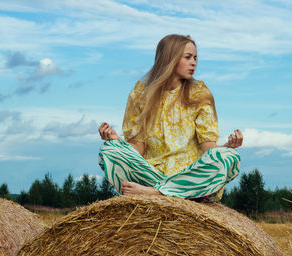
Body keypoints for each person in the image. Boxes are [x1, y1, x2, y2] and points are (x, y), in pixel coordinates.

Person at [98, 34, 243, 202]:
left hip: (189, 175)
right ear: (170, 59)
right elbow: (137, 147)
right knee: (109, 150)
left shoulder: (200, 94)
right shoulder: (139, 96)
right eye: (188, 57)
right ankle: (174, 192)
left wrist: (227, 146)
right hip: (150, 174)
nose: (194, 62)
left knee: (229, 157)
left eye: (195, 58)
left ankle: (158, 193)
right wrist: (116, 140)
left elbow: (208, 146)